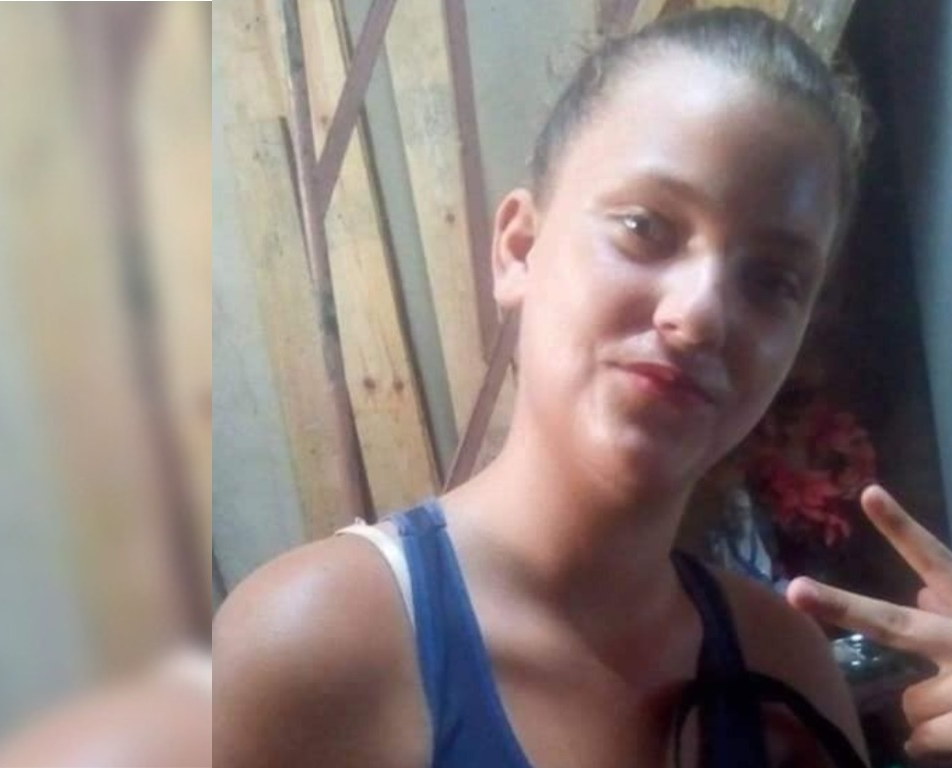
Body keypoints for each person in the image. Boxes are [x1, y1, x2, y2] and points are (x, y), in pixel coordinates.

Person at [217, 8, 884, 767]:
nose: (701, 315)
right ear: (519, 249)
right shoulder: (313, 651)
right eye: (645, 227)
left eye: (771, 279)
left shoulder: (784, 666)